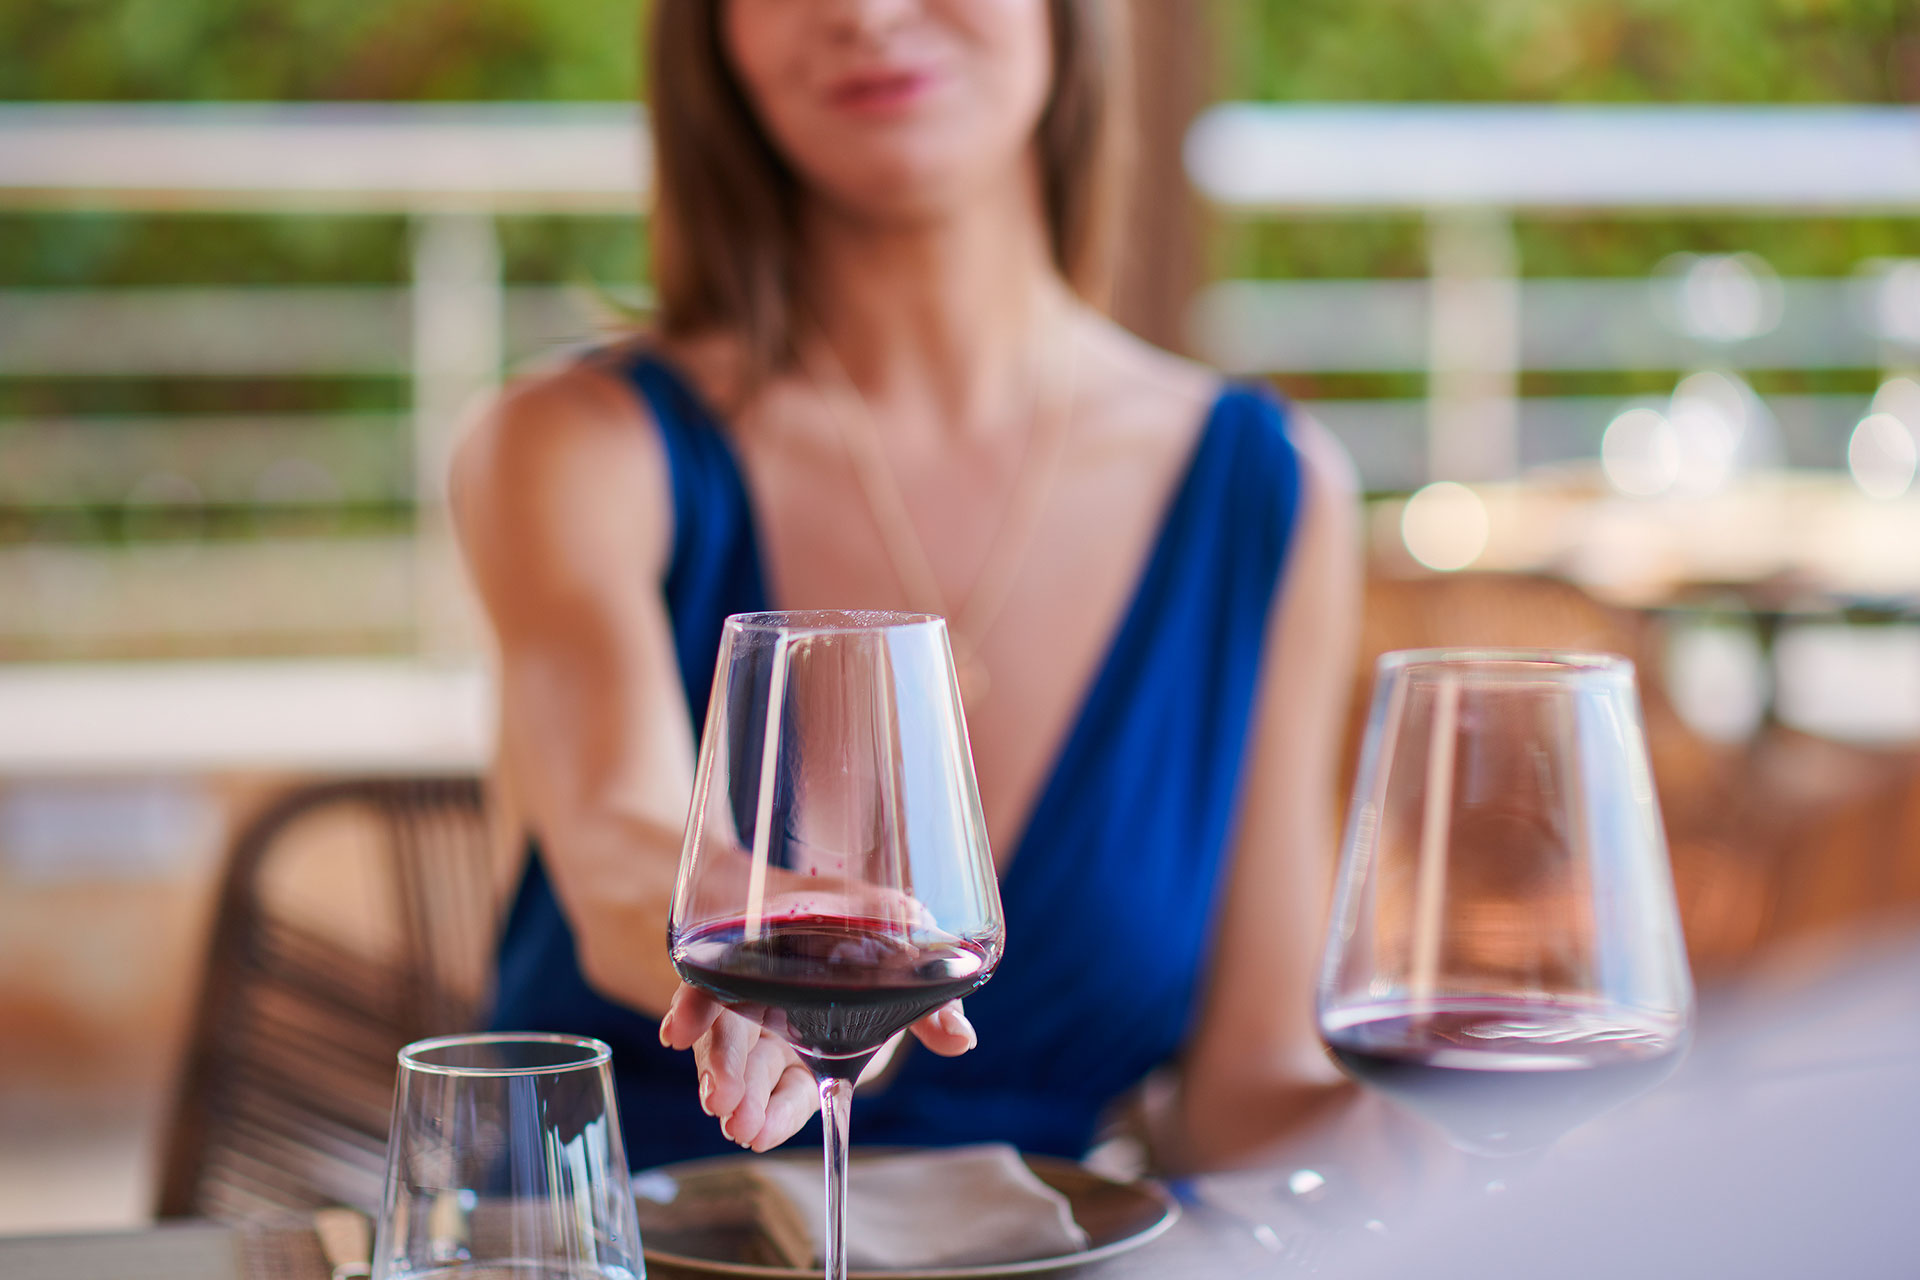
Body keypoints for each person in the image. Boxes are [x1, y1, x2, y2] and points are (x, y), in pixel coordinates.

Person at [452, 0, 1360, 1174]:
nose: (868, 14)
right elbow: (618, 844)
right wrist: (779, 953)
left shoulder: (1268, 492)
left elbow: (1248, 1094)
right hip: (621, 1244)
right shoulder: (578, 445)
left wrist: (1496, 1138)